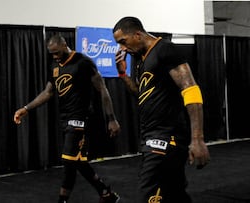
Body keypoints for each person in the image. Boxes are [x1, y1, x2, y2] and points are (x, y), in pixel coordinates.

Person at [112, 17, 211, 203]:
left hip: (166, 138)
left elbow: (191, 90)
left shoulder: (165, 50)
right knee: (175, 195)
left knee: (147, 194)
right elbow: (141, 95)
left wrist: (197, 139)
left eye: (123, 42)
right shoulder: (141, 60)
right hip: (151, 136)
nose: (122, 49)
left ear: (137, 34)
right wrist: (123, 74)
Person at [13, 34, 121, 203]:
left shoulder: (82, 62)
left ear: (64, 45)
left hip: (81, 118)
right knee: (76, 161)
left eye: (57, 53)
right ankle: (106, 193)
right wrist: (26, 108)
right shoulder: (55, 66)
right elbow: (48, 92)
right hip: (65, 119)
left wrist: (111, 118)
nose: (55, 57)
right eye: (52, 54)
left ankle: (63, 200)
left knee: (68, 159)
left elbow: (102, 89)